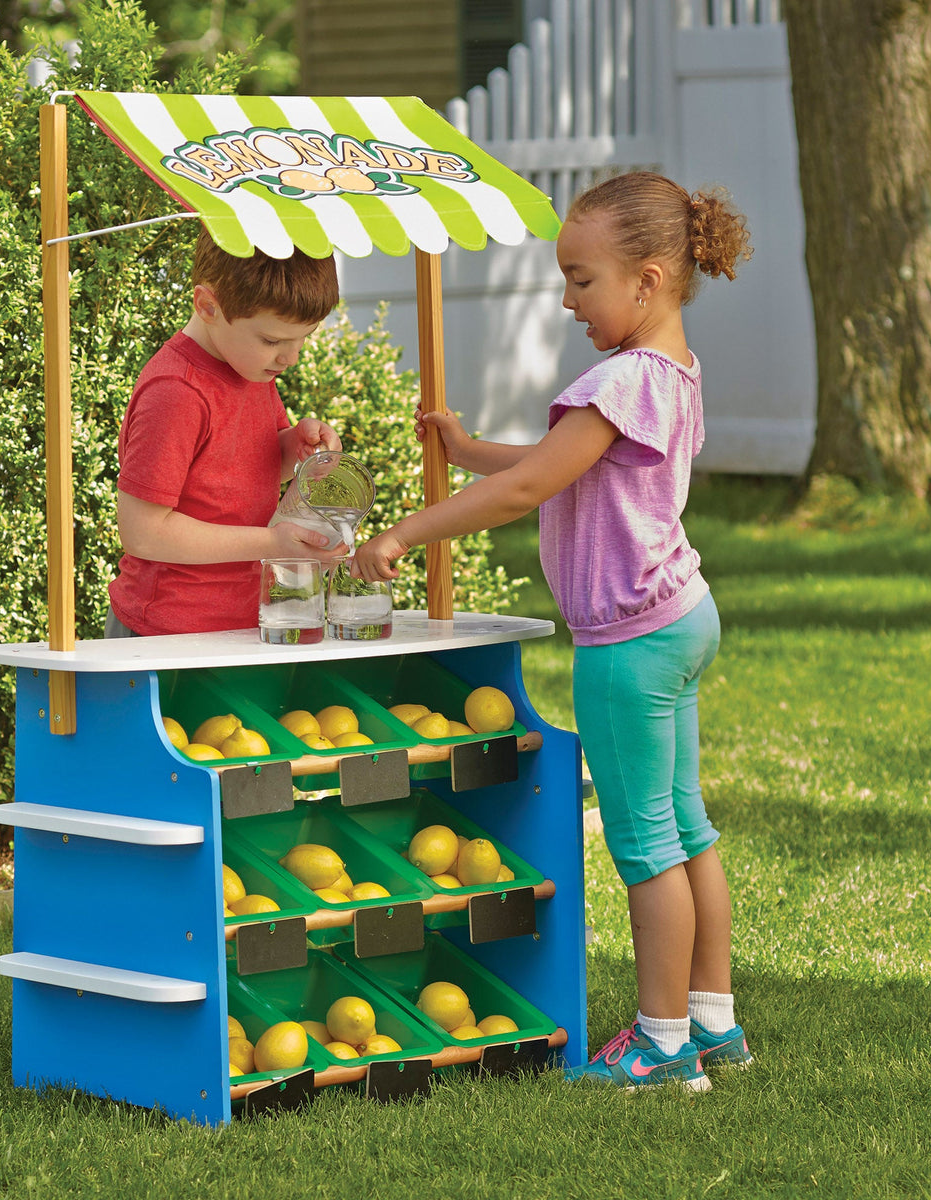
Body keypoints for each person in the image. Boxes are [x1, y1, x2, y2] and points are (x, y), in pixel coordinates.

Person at [353, 172, 753, 1091]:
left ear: (646, 281)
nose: (567, 299)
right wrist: (467, 450)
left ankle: (658, 1048)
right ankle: (711, 1021)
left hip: (630, 645)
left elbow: (533, 486)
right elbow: (555, 464)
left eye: (581, 280)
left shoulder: (617, 380)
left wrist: (409, 530)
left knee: (646, 842)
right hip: (681, 617)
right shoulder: (670, 373)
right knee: (688, 829)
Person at [106, 226, 346, 637]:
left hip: (241, 622)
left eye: (305, 338)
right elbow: (142, 533)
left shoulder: (250, 367)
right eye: (273, 339)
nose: (291, 357)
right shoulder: (176, 393)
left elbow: (249, 468)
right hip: (167, 630)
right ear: (208, 306)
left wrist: (298, 451)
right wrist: (272, 544)